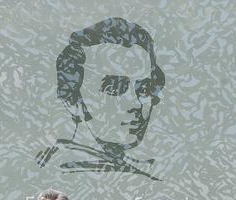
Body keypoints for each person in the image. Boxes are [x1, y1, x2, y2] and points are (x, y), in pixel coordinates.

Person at [36, 17, 166, 180]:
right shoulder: (68, 175)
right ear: (71, 100)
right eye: (115, 87)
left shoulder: (138, 169)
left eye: (145, 88)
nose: (136, 103)